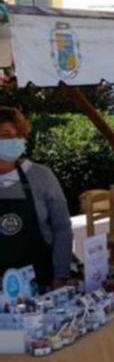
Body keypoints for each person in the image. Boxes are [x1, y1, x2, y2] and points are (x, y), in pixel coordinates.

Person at [0, 107, 72, 291]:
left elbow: (62, 228)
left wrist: (60, 274)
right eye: (3, 136)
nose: (6, 141)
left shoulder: (41, 177)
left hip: (41, 285)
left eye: (10, 135)